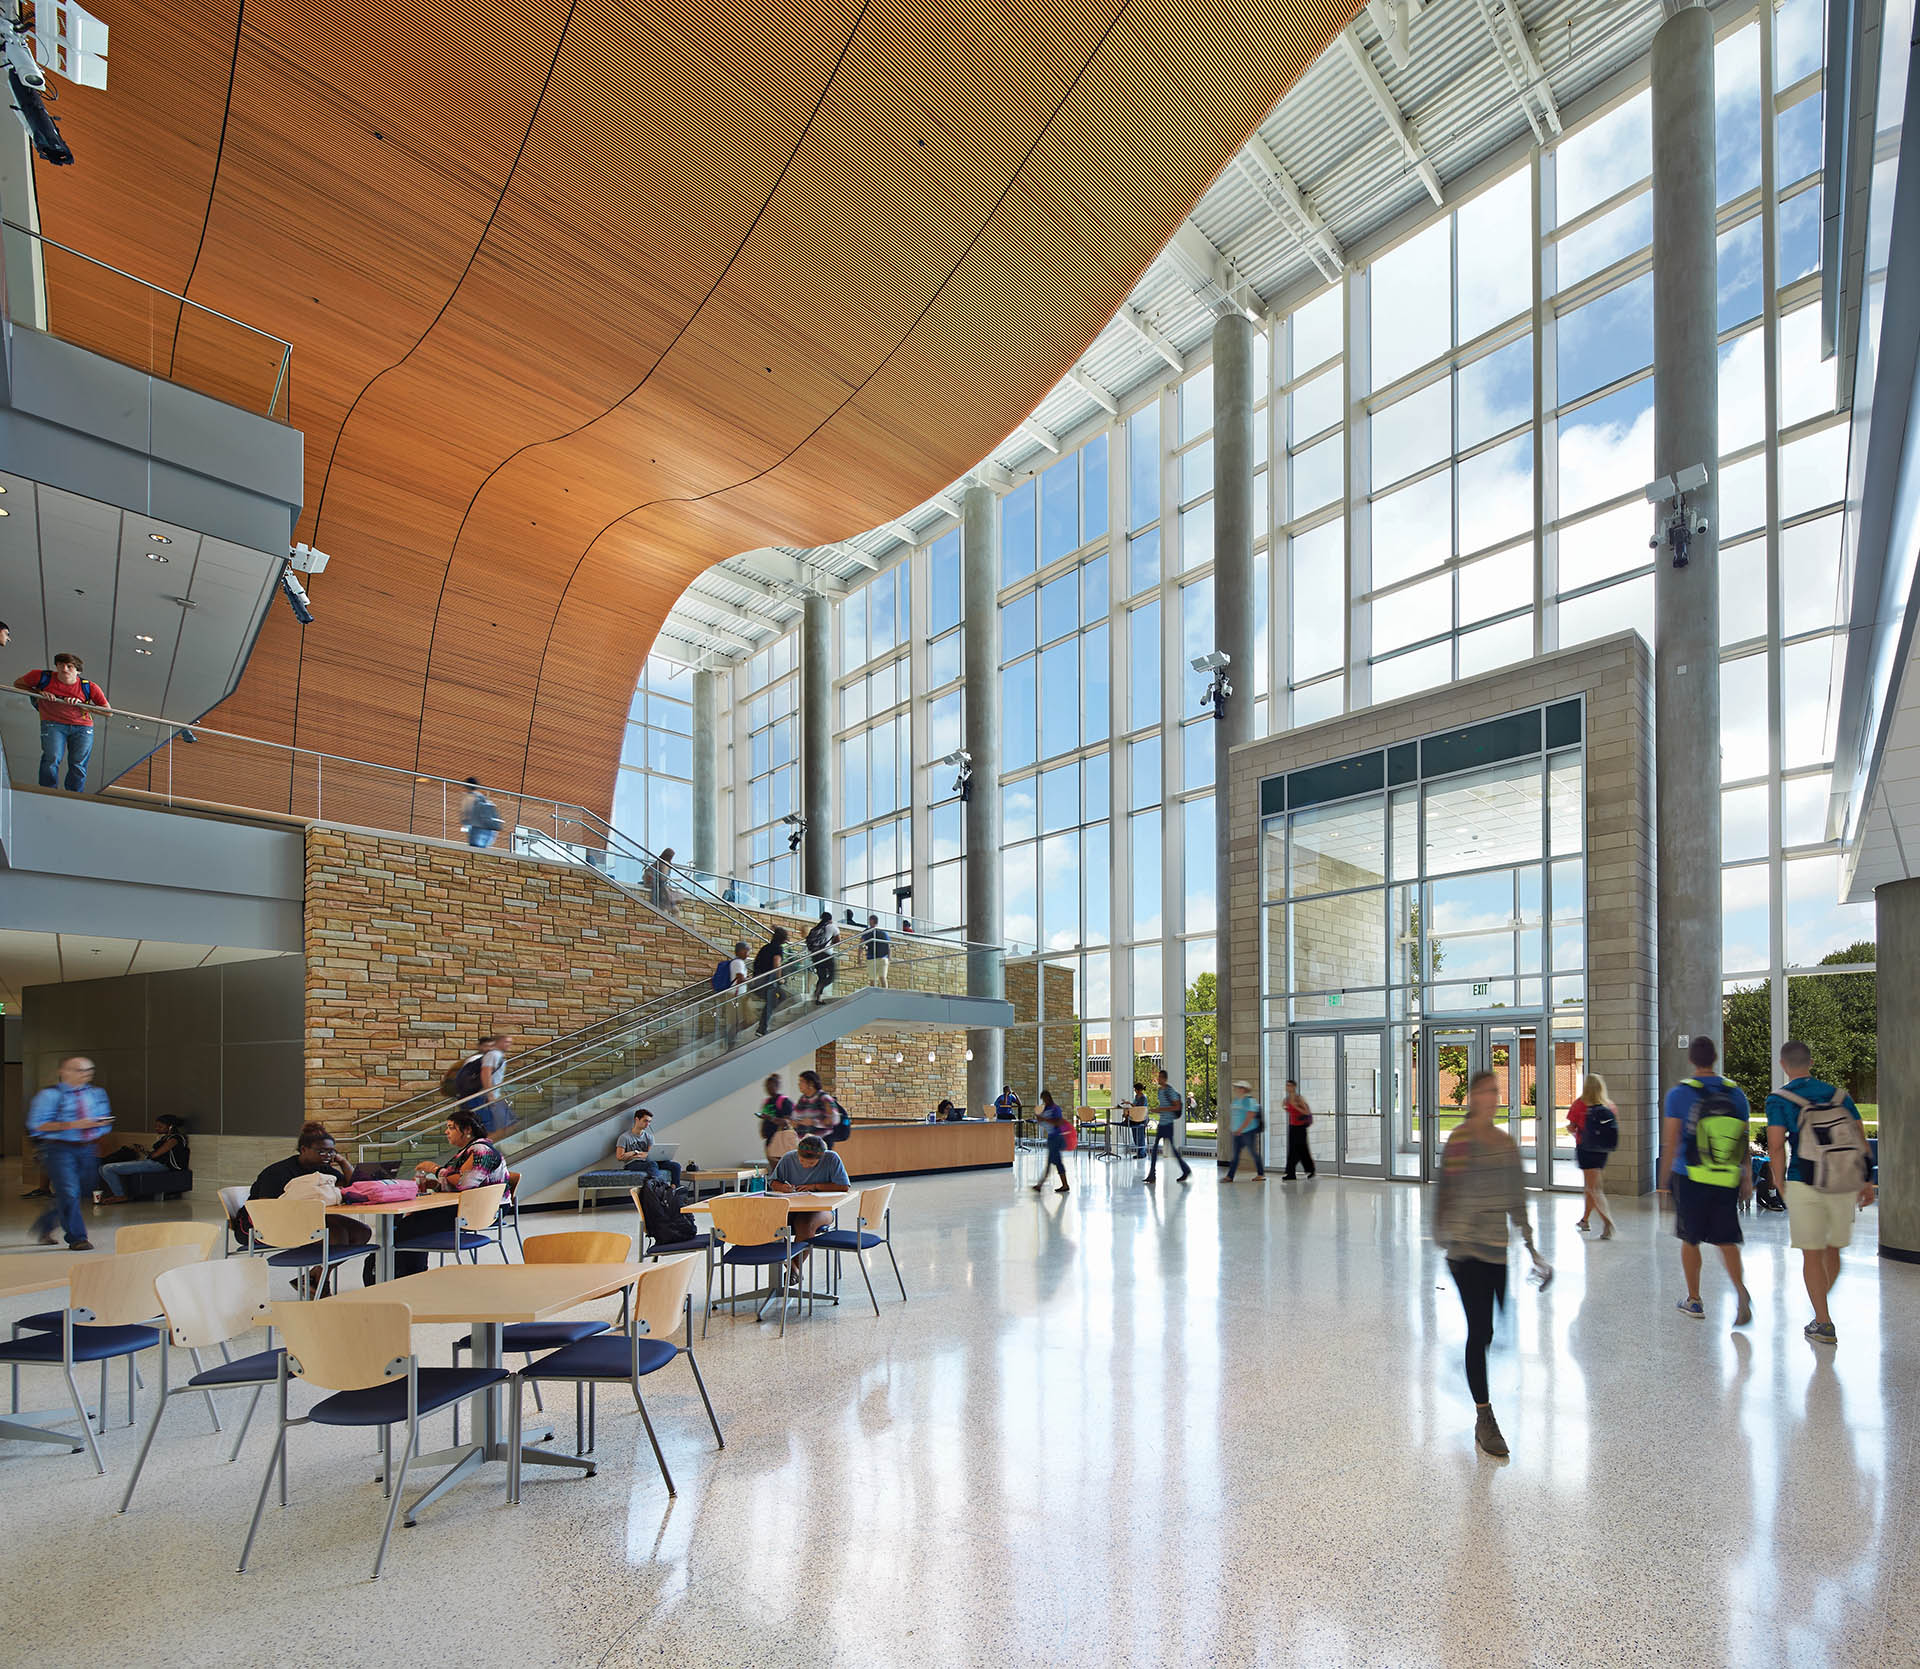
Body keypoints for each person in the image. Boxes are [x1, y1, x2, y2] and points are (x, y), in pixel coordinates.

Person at [1434, 1069, 1549, 1459]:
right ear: (1470, 1098)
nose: (1492, 1098)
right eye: (1484, 1092)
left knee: (1495, 1327)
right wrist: (1443, 1232)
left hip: (1496, 1249)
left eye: (1496, 1091)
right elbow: (1445, 1189)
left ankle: (1471, 1362)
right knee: (1480, 1329)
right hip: (1465, 1251)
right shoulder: (1460, 1141)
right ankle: (1484, 1416)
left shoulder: (1504, 1144)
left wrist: (1532, 1248)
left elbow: (1517, 1199)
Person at [1765, 1039, 1876, 1346]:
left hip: (1805, 1180)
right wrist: (1866, 1179)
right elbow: (1859, 1137)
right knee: (1833, 1250)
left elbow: (1775, 1145)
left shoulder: (1779, 1099)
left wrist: (1780, 1181)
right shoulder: (1839, 1095)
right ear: (1811, 1062)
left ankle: (1823, 1321)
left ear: (1783, 1065)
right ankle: (1820, 1308)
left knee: (1811, 1255)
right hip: (1842, 1180)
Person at [1660, 1036, 1754, 1326]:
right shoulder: (1735, 1094)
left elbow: (1672, 1140)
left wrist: (1664, 1182)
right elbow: (1743, 1139)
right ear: (1716, 1057)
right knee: (1726, 1239)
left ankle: (1694, 1299)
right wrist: (1747, 1176)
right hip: (1726, 1177)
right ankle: (1740, 1290)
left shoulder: (1680, 1094)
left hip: (1690, 1176)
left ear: (1691, 1059)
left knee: (1690, 1240)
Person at [392, 1108, 510, 1278]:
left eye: (451, 1127)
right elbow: (461, 1181)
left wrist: (434, 1169)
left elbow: (465, 1183)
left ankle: (407, 1275)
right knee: (411, 1223)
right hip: (471, 1207)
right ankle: (409, 1273)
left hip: (483, 1211)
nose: (447, 1132)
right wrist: (435, 1182)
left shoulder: (481, 1151)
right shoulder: (468, 1151)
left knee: (409, 1227)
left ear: (468, 1130)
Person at [247, 1121, 373, 1265]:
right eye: (322, 1151)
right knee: (336, 1233)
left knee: (362, 1232)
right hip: (263, 1226)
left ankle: (315, 1277)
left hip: (304, 1216)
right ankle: (319, 1282)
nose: (327, 1155)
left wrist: (342, 1161)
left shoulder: (323, 1169)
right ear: (304, 1149)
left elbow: (352, 1186)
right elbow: (265, 1207)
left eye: (332, 1151)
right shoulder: (278, 1172)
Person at [27, 1055, 111, 1249]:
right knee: (69, 1192)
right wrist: (73, 1124)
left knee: (76, 1193)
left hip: (88, 1148)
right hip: (59, 1149)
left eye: (89, 1070)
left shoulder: (97, 1093)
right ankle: (77, 1238)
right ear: (63, 1072)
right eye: (80, 1070)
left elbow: (103, 1120)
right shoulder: (49, 1095)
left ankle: (45, 1224)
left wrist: (100, 1125)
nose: (86, 1074)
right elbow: (36, 1124)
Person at [15, 652, 110, 791]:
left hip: (82, 727)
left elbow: (108, 712)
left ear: (78, 671)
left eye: (69, 666)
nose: (64, 669)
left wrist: (83, 705)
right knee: (52, 757)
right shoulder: (42, 677)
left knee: (78, 763)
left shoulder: (89, 686)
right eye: (61, 665)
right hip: (52, 723)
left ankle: (74, 795)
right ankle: (47, 791)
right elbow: (18, 684)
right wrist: (39, 693)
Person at [769, 1133, 850, 1273]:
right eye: (801, 1161)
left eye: (811, 1163)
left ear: (822, 1157)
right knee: (768, 1223)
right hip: (792, 1209)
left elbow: (843, 1186)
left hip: (822, 1210)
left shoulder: (831, 1158)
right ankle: (793, 1268)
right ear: (797, 1154)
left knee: (806, 1223)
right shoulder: (788, 1158)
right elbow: (774, 1182)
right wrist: (783, 1188)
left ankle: (793, 1271)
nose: (805, 1165)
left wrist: (815, 1186)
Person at [1566, 1073, 1617, 1239]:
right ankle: (1585, 1220)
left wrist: (1577, 1133)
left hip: (1585, 1149)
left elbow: (1571, 1127)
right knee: (1591, 1186)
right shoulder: (1609, 1105)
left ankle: (1608, 1222)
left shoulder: (1580, 1105)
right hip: (1602, 1152)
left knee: (1593, 1188)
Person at [98, 1113, 191, 1204]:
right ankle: (117, 1194)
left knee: (107, 1168)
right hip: (153, 1163)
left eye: (160, 1126)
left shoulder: (175, 1138)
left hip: (161, 1165)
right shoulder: (166, 1138)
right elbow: (155, 1155)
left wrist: (150, 1154)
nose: (156, 1128)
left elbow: (156, 1155)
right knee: (102, 1168)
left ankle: (120, 1195)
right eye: (156, 1126)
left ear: (170, 1127)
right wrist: (142, 1150)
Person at [1145, 1068, 1192, 1185]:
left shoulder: (1169, 1091)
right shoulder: (1160, 1091)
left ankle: (1185, 1170)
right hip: (1162, 1123)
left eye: (1160, 1077)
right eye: (1158, 1077)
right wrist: (1158, 1111)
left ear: (1165, 1079)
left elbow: (1176, 1107)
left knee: (1171, 1150)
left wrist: (1160, 1109)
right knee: (1155, 1149)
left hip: (1168, 1124)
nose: (1158, 1079)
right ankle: (1152, 1174)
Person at [618, 1109, 682, 1189]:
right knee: (652, 1164)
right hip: (632, 1163)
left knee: (675, 1166)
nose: (647, 1124)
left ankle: (674, 1189)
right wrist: (635, 1152)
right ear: (637, 1119)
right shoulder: (624, 1137)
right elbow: (620, 1156)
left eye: (649, 1122)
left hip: (648, 1161)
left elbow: (651, 1154)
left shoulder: (649, 1137)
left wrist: (646, 1155)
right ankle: (661, 1187)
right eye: (645, 1121)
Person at [1224, 1080, 1266, 1181]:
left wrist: (1240, 1129)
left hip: (1248, 1132)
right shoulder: (1236, 1100)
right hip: (1237, 1132)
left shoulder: (1249, 1101)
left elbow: (1250, 1116)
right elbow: (1234, 1116)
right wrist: (1233, 1128)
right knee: (1235, 1155)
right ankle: (1230, 1176)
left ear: (1243, 1089)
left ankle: (1261, 1174)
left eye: (1237, 1087)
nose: (1235, 1089)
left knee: (1253, 1153)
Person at [753, 927, 791, 1034]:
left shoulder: (766, 947)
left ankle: (765, 1023)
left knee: (780, 996)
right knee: (771, 1002)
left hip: (758, 979)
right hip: (767, 980)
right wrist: (780, 979)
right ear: (782, 939)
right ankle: (762, 1029)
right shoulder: (777, 949)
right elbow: (777, 964)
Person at [1033, 1088, 1071, 1193]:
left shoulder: (1055, 1109)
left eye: (1044, 1099)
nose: (1044, 1101)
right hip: (1051, 1137)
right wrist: (1039, 1118)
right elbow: (1044, 1121)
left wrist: (1044, 1119)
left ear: (1048, 1098)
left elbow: (1058, 1122)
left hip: (1056, 1137)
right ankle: (1043, 1185)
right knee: (1053, 1162)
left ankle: (1062, 1184)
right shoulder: (1046, 1108)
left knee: (1055, 1162)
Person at [792, 1070, 844, 1145]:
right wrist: (795, 1122)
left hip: (821, 1142)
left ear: (811, 1084)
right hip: (804, 1141)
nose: (799, 1084)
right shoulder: (802, 1099)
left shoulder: (824, 1098)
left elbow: (834, 1119)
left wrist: (814, 1122)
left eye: (802, 1081)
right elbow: (796, 1116)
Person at [716, 939, 751, 1046]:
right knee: (737, 1020)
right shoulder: (738, 962)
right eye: (746, 951)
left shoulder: (736, 962)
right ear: (740, 951)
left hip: (735, 994)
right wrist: (752, 979)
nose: (748, 954)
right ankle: (730, 1043)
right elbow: (740, 979)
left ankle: (731, 1041)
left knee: (737, 1019)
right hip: (736, 995)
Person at [758, 1074, 798, 1165]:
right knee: (774, 1167)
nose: (768, 1088)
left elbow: (787, 1122)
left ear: (777, 1086)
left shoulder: (784, 1101)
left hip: (781, 1139)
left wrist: (770, 1118)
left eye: (771, 1085)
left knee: (782, 1167)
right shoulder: (767, 1102)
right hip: (769, 1138)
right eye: (767, 1086)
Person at [1281, 1079, 1317, 1180]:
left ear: (1294, 1087)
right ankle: (1291, 1173)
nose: (1287, 1087)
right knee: (1293, 1150)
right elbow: (1287, 1109)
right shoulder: (1287, 1099)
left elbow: (1306, 1112)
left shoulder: (1298, 1098)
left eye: (1289, 1086)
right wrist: (1286, 1107)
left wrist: (1295, 1106)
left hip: (1300, 1127)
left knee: (1302, 1149)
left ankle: (1310, 1169)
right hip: (1292, 1126)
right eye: (1286, 1085)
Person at [805, 910, 839, 1004]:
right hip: (826, 954)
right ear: (830, 919)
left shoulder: (815, 929)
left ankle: (819, 999)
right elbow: (838, 940)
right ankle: (818, 989)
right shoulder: (832, 927)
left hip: (815, 955)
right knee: (832, 976)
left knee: (821, 976)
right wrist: (831, 942)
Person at [460, 776, 503, 848]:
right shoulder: (482, 797)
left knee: (474, 850)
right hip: (487, 829)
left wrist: (465, 824)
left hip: (476, 828)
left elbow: (466, 814)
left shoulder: (469, 797)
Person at [647, 847, 681, 915]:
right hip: (661, 889)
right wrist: (673, 880)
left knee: (667, 910)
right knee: (674, 911)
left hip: (658, 888)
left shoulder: (658, 862)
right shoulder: (664, 863)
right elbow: (663, 878)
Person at [862, 913, 893, 987]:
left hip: (875, 958)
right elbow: (889, 945)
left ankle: (882, 995)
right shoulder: (882, 932)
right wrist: (889, 957)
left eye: (870, 920)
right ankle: (884, 994)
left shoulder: (868, 932)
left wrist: (859, 957)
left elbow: (860, 945)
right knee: (880, 978)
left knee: (875, 979)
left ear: (871, 921)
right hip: (879, 957)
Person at [1125, 1082, 1150, 1157]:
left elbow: (1139, 1108)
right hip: (1135, 1118)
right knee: (1135, 1135)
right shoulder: (1136, 1097)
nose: (1134, 1090)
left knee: (1140, 1135)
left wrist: (1129, 1103)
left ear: (1137, 1089)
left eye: (1135, 1089)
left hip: (1141, 1118)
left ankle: (1142, 1152)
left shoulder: (1143, 1098)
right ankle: (1139, 1152)